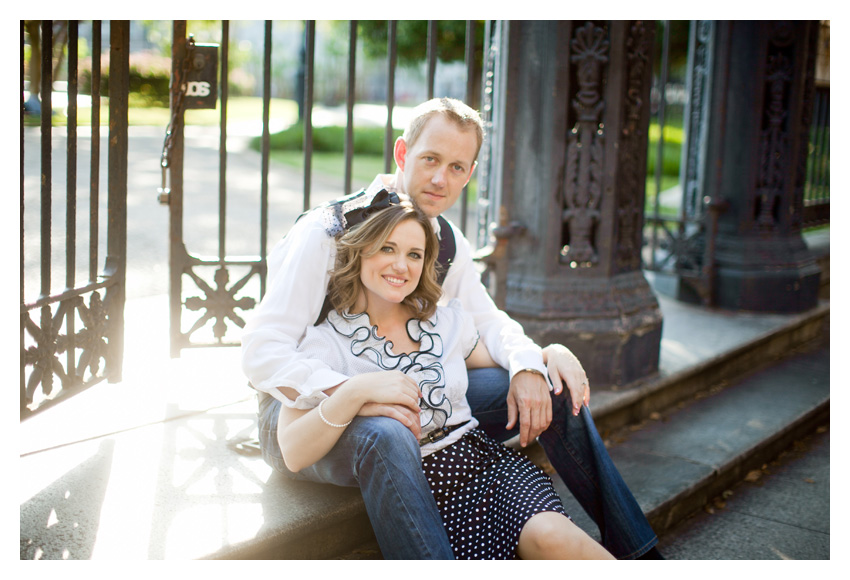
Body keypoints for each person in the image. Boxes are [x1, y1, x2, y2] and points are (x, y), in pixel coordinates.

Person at [241, 97, 662, 559]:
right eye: (430, 160)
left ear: (470, 173)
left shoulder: (445, 242)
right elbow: (263, 352)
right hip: (302, 413)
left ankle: (640, 554)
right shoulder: (327, 231)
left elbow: (484, 321)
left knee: (550, 387)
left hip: (404, 393)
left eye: (457, 167)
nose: (441, 179)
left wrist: (532, 360)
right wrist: (358, 390)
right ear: (402, 155)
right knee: (388, 429)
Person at [275, 199, 615, 559]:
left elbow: (496, 355)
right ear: (360, 251)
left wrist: (550, 353)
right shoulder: (326, 343)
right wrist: (356, 391)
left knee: (556, 538)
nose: (401, 265)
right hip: (417, 495)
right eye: (387, 248)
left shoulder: (442, 322)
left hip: (485, 466)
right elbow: (293, 451)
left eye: (414, 254)